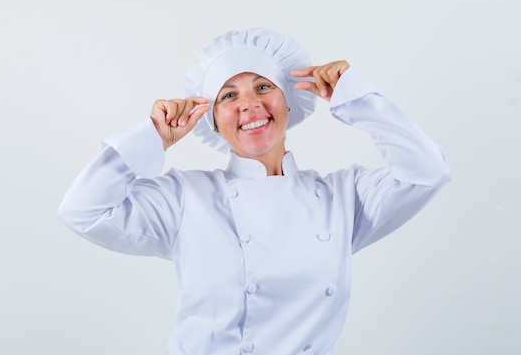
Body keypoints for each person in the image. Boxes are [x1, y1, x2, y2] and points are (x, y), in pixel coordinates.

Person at [59, 27, 450, 355]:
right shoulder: (185, 198)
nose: (250, 104)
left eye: (263, 86)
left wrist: (358, 99)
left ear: (289, 103)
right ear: (211, 121)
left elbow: (427, 171)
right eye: (228, 96)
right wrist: (153, 137)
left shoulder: (343, 197)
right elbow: (82, 211)